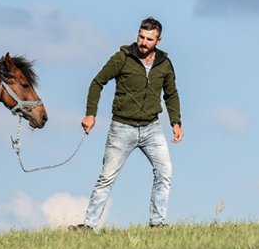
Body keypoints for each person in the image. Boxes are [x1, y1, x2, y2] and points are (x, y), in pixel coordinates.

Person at [72, 17, 183, 230]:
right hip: (122, 128)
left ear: (158, 41)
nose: (143, 42)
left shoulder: (165, 64)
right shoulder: (122, 58)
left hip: (152, 128)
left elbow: (171, 94)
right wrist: (90, 114)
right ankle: (87, 226)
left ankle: (157, 223)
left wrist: (176, 122)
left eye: (149, 39)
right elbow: (97, 83)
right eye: (141, 37)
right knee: (106, 177)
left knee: (165, 172)